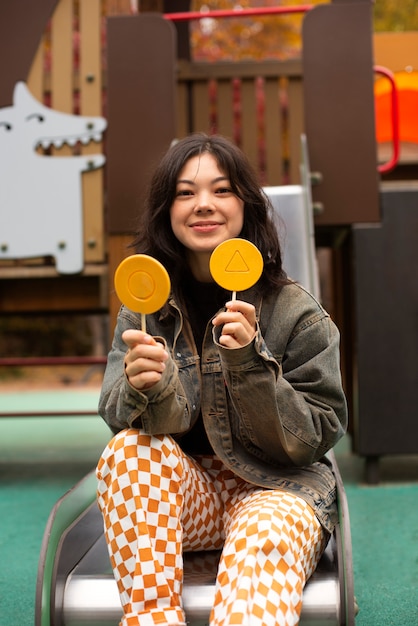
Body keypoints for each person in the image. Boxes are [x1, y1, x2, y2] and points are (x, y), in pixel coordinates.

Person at [96, 133, 348, 626]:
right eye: (186, 193)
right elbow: (114, 411)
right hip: (191, 497)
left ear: (245, 204)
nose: (203, 205)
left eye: (222, 190)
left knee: (262, 536)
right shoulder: (145, 307)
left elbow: (318, 433)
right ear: (166, 210)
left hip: (277, 486)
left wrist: (249, 365)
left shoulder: (295, 311)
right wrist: (143, 388)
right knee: (129, 449)